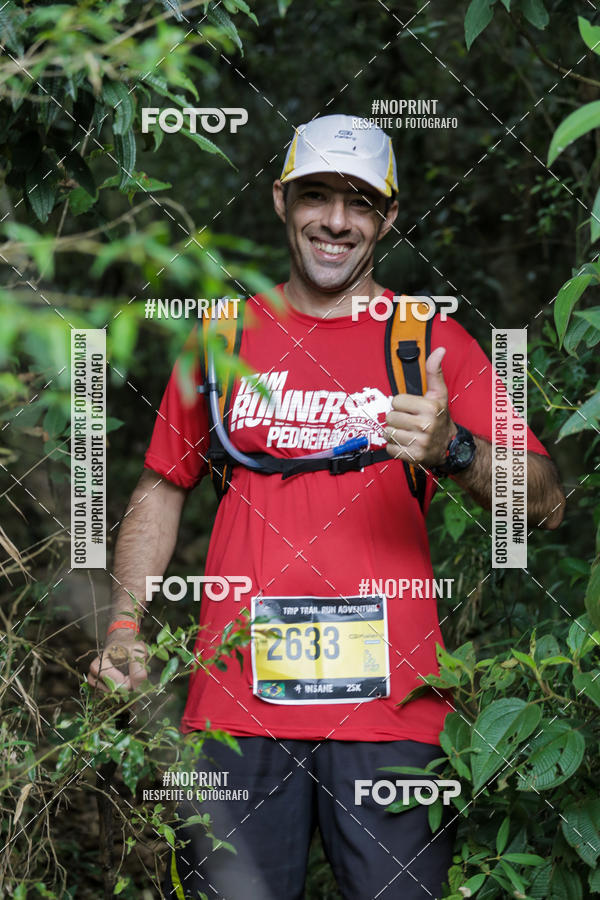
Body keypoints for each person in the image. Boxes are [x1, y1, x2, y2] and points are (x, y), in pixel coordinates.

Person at [88, 114, 566, 899]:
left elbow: (545, 497)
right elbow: (162, 487)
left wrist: (456, 450)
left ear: (388, 217)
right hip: (237, 708)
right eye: (317, 195)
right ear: (281, 201)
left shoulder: (428, 338)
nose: (336, 221)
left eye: (359, 202)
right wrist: (125, 626)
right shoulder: (223, 334)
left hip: (394, 717)